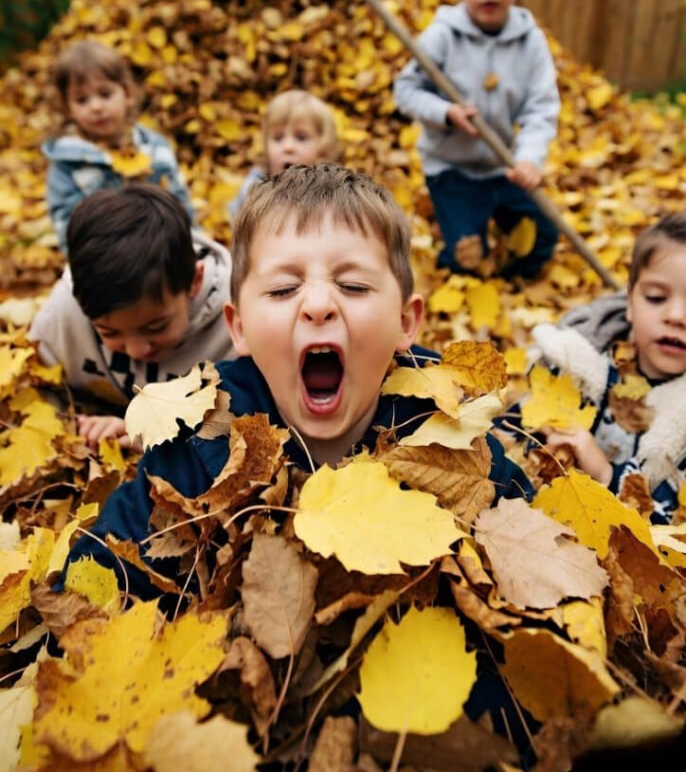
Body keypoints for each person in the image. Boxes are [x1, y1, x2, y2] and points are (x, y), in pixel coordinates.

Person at [62, 163, 536, 761]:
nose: (317, 304)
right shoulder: (202, 427)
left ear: (406, 324)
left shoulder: (448, 430)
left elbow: (525, 572)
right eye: (284, 290)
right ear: (237, 327)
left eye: (355, 287)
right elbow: (104, 566)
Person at [393, 0, 560, 280]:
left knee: (544, 237)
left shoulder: (531, 42)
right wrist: (446, 112)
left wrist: (529, 159)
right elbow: (405, 91)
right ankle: (457, 241)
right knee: (466, 255)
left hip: (503, 168)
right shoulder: (442, 36)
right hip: (452, 169)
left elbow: (541, 108)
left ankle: (508, 275)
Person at [29, 184, 235, 449]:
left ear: (193, 283)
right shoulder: (64, 311)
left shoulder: (238, 318)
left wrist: (152, 439)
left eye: (155, 326)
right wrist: (73, 426)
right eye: (109, 332)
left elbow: (247, 419)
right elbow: (36, 387)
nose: (137, 350)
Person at [519, 210, 686, 523]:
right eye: (655, 297)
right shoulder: (578, 363)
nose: (676, 316)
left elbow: (676, 523)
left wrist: (607, 474)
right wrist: (535, 440)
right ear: (630, 303)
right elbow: (517, 420)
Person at [44, 39, 194, 251]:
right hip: (106, 261)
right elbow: (67, 229)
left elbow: (180, 202)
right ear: (68, 108)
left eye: (105, 94)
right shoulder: (66, 165)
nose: (96, 107)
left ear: (128, 93)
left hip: (164, 251)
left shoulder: (155, 148)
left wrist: (190, 243)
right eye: (82, 100)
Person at [228, 88, 339, 221]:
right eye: (278, 138)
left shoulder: (333, 193)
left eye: (301, 137)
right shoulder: (254, 189)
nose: (288, 147)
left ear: (323, 145)